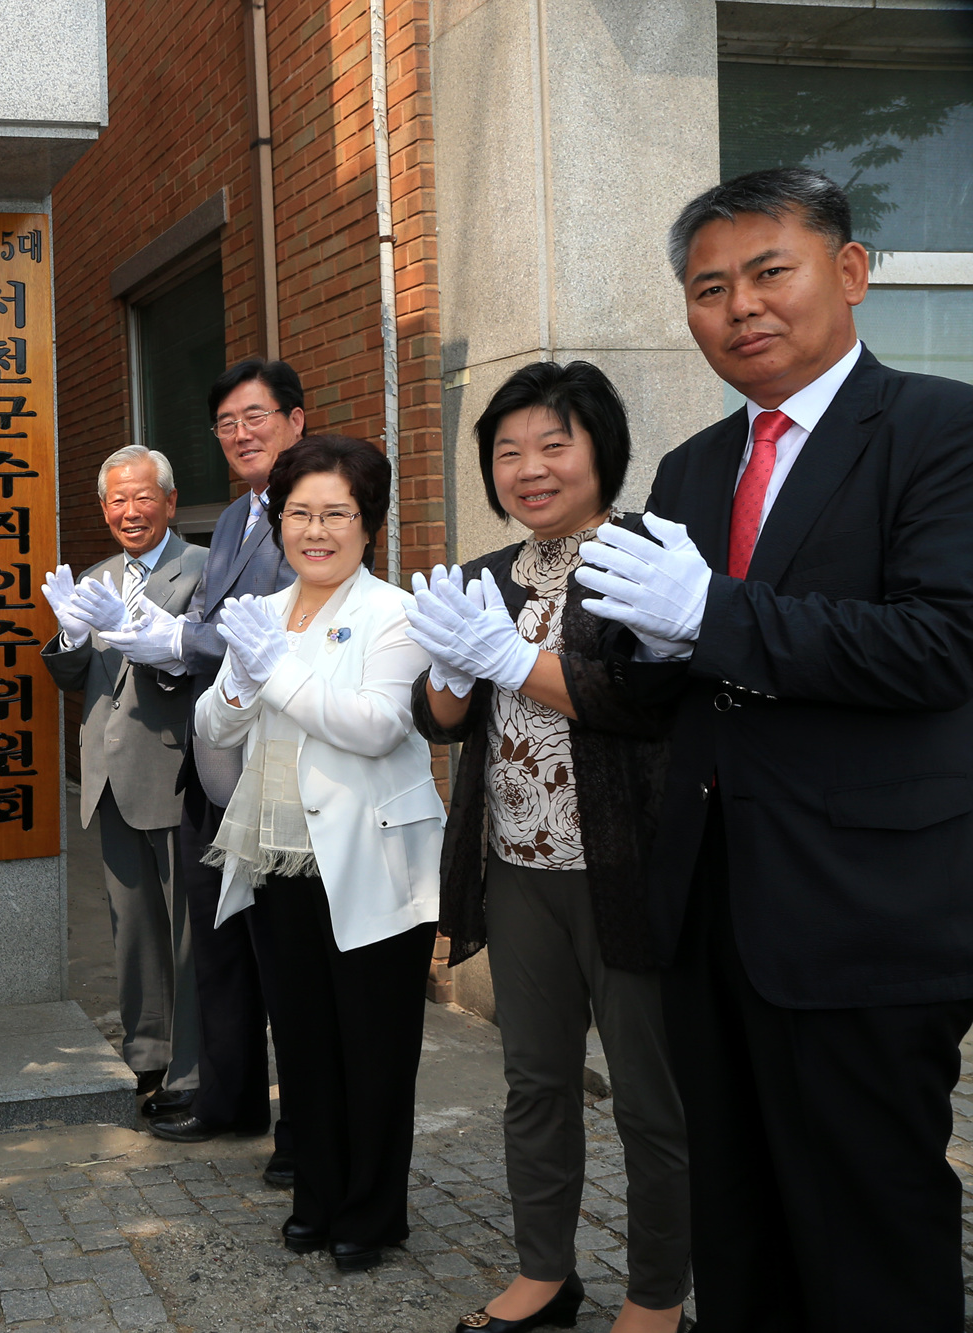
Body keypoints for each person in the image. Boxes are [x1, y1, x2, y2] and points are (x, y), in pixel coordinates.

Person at [576, 167, 973, 1329]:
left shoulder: (939, 430)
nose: (739, 306)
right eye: (708, 287)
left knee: (867, 1218)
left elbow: (939, 645)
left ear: (847, 273)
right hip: (711, 905)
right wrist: (636, 641)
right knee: (735, 1217)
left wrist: (709, 617)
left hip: (865, 906)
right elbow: (679, 679)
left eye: (766, 271)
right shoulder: (692, 467)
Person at [403, 362, 690, 1333]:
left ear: (600, 451)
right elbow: (442, 721)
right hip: (515, 870)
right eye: (506, 451)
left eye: (552, 445)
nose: (528, 468)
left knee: (651, 1097)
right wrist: (448, 665)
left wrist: (511, 660)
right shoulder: (489, 572)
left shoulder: (641, 557)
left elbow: (642, 703)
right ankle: (543, 1274)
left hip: (625, 872)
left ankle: (655, 1293)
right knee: (533, 1083)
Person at [193, 435, 443, 1274]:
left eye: (337, 512)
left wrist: (279, 672)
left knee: (372, 1046)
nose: (316, 529)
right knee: (303, 1041)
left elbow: (378, 725)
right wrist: (240, 677)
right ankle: (318, 1196)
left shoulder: (393, 611)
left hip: (367, 858)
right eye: (299, 512)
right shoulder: (270, 608)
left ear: (368, 524)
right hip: (278, 858)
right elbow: (214, 726)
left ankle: (373, 1213)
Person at [105, 358, 300, 1185]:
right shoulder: (231, 521)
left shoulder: (310, 506)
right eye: (227, 423)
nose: (242, 434)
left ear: (295, 419)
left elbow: (287, 625)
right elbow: (215, 629)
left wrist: (182, 641)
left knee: (284, 951)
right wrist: (168, 645)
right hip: (209, 765)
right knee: (219, 944)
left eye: (256, 416)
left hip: (279, 768)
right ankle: (228, 1095)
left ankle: (304, 1129)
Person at [39, 444, 208, 1116]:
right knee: (132, 929)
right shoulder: (98, 574)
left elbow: (197, 663)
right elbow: (75, 676)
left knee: (187, 932)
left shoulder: (201, 568)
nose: (130, 510)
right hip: (108, 775)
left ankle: (194, 1069)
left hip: (171, 770)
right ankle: (148, 1055)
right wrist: (72, 638)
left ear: (169, 501)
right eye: (117, 499)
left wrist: (153, 642)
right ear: (103, 508)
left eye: (143, 496)